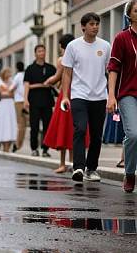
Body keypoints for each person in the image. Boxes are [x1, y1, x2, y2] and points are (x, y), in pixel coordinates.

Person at [61, 12, 111, 183]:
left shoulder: (105, 46)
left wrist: (111, 95)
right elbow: (67, 73)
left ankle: (91, 169)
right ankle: (78, 168)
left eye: (97, 24)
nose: (95, 26)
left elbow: (110, 72)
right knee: (80, 129)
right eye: (91, 24)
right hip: (79, 95)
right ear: (83, 27)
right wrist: (65, 96)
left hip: (99, 96)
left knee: (97, 135)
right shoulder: (73, 46)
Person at [43, 34, 89, 173]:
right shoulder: (81, 56)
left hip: (66, 94)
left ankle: (62, 164)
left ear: (63, 45)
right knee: (74, 128)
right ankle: (73, 162)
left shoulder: (62, 59)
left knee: (63, 128)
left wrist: (48, 82)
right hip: (79, 93)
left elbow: (58, 76)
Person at [107, 0, 137, 193]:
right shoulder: (121, 38)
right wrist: (111, 96)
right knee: (133, 134)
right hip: (128, 93)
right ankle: (130, 173)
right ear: (129, 14)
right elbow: (113, 68)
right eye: (136, 10)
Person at [23, 45, 56, 157]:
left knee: (47, 126)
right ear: (35, 53)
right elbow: (26, 85)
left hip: (47, 101)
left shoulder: (51, 68)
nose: (41, 53)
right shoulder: (30, 69)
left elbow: (57, 81)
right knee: (34, 126)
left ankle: (45, 149)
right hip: (34, 101)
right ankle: (34, 148)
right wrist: (25, 100)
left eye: (43, 51)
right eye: (39, 51)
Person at [0, 67, 17, 152]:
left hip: (11, 104)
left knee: (10, 123)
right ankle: (4, 145)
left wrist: (8, 93)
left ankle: (8, 146)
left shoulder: (12, 82)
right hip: (3, 105)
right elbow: (3, 94)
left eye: (10, 73)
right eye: (7, 73)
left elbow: (12, 94)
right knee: (3, 123)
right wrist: (8, 93)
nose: (9, 74)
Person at [12, 61, 26, 152]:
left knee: (20, 124)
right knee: (24, 124)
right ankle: (20, 144)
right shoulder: (26, 75)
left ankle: (17, 144)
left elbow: (12, 88)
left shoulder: (17, 77)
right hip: (27, 101)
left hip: (19, 101)